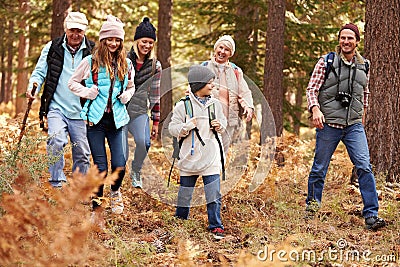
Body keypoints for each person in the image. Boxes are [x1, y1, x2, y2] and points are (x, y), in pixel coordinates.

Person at [305, 23, 386, 230]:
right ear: (339, 40)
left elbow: (364, 94)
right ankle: (312, 210)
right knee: (319, 168)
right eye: (343, 38)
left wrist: (362, 117)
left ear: (357, 42)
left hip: (353, 126)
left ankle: (371, 215)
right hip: (329, 124)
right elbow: (312, 89)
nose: (346, 42)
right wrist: (315, 110)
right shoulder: (326, 61)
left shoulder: (364, 65)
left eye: (350, 38)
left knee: (364, 166)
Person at [68, 15, 135, 215]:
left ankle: (115, 192)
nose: (113, 43)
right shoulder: (90, 62)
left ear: (121, 42)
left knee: (120, 164)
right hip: (95, 121)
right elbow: (72, 83)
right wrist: (87, 92)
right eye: (110, 39)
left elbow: (132, 87)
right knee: (100, 167)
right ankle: (97, 207)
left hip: (118, 120)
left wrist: (126, 95)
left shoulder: (127, 64)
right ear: (103, 40)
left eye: (117, 40)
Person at [26, 11, 93, 188]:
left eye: (79, 31)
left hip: (82, 111)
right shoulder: (52, 47)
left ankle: (79, 187)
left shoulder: (93, 50)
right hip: (57, 108)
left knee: (83, 152)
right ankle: (57, 183)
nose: (75, 34)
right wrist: (33, 85)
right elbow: (39, 72)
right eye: (72, 30)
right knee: (55, 141)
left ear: (85, 31)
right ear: (65, 29)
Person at [168, 65, 227, 240]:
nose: (212, 86)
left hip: (211, 157)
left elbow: (223, 124)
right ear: (198, 84)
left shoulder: (215, 105)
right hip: (190, 157)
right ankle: (180, 222)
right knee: (185, 194)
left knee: (213, 194)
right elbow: (172, 128)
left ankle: (215, 226)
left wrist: (219, 125)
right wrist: (186, 127)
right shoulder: (182, 106)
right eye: (209, 83)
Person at [125, 17, 162, 189]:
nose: (147, 46)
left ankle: (136, 170)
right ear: (137, 41)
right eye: (144, 41)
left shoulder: (155, 65)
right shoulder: (123, 59)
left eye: (150, 43)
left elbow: (155, 94)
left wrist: (155, 121)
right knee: (121, 151)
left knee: (144, 142)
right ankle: (114, 179)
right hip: (121, 109)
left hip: (139, 111)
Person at [201, 35, 254, 151]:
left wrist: (248, 107)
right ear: (215, 48)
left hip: (228, 121)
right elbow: (193, 91)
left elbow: (244, 92)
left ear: (231, 53)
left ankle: (219, 170)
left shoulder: (235, 71)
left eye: (227, 50)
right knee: (207, 151)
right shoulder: (204, 68)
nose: (222, 52)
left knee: (222, 153)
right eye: (221, 47)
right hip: (208, 119)